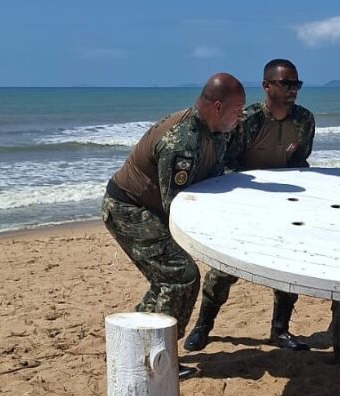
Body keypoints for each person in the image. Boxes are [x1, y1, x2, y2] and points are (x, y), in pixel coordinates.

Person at [101, 73, 245, 379]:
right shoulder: (181, 142)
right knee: (180, 276)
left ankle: (136, 343)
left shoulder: (216, 130)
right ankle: (159, 354)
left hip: (149, 206)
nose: (241, 116)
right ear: (217, 107)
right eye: (237, 110)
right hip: (128, 208)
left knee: (167, 278)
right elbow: (175, 207)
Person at [184, 59, 315, 352]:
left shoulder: (305, 120)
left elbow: (300, 163)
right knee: (224, 269)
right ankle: (203, 327)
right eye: (286, 83)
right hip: (246, 205)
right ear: (267, 86)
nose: (293, 90)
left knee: (286, 268)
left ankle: (280, 330)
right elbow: (226, 162)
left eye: (296, 84)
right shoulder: (249, 120)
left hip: (286, 203)